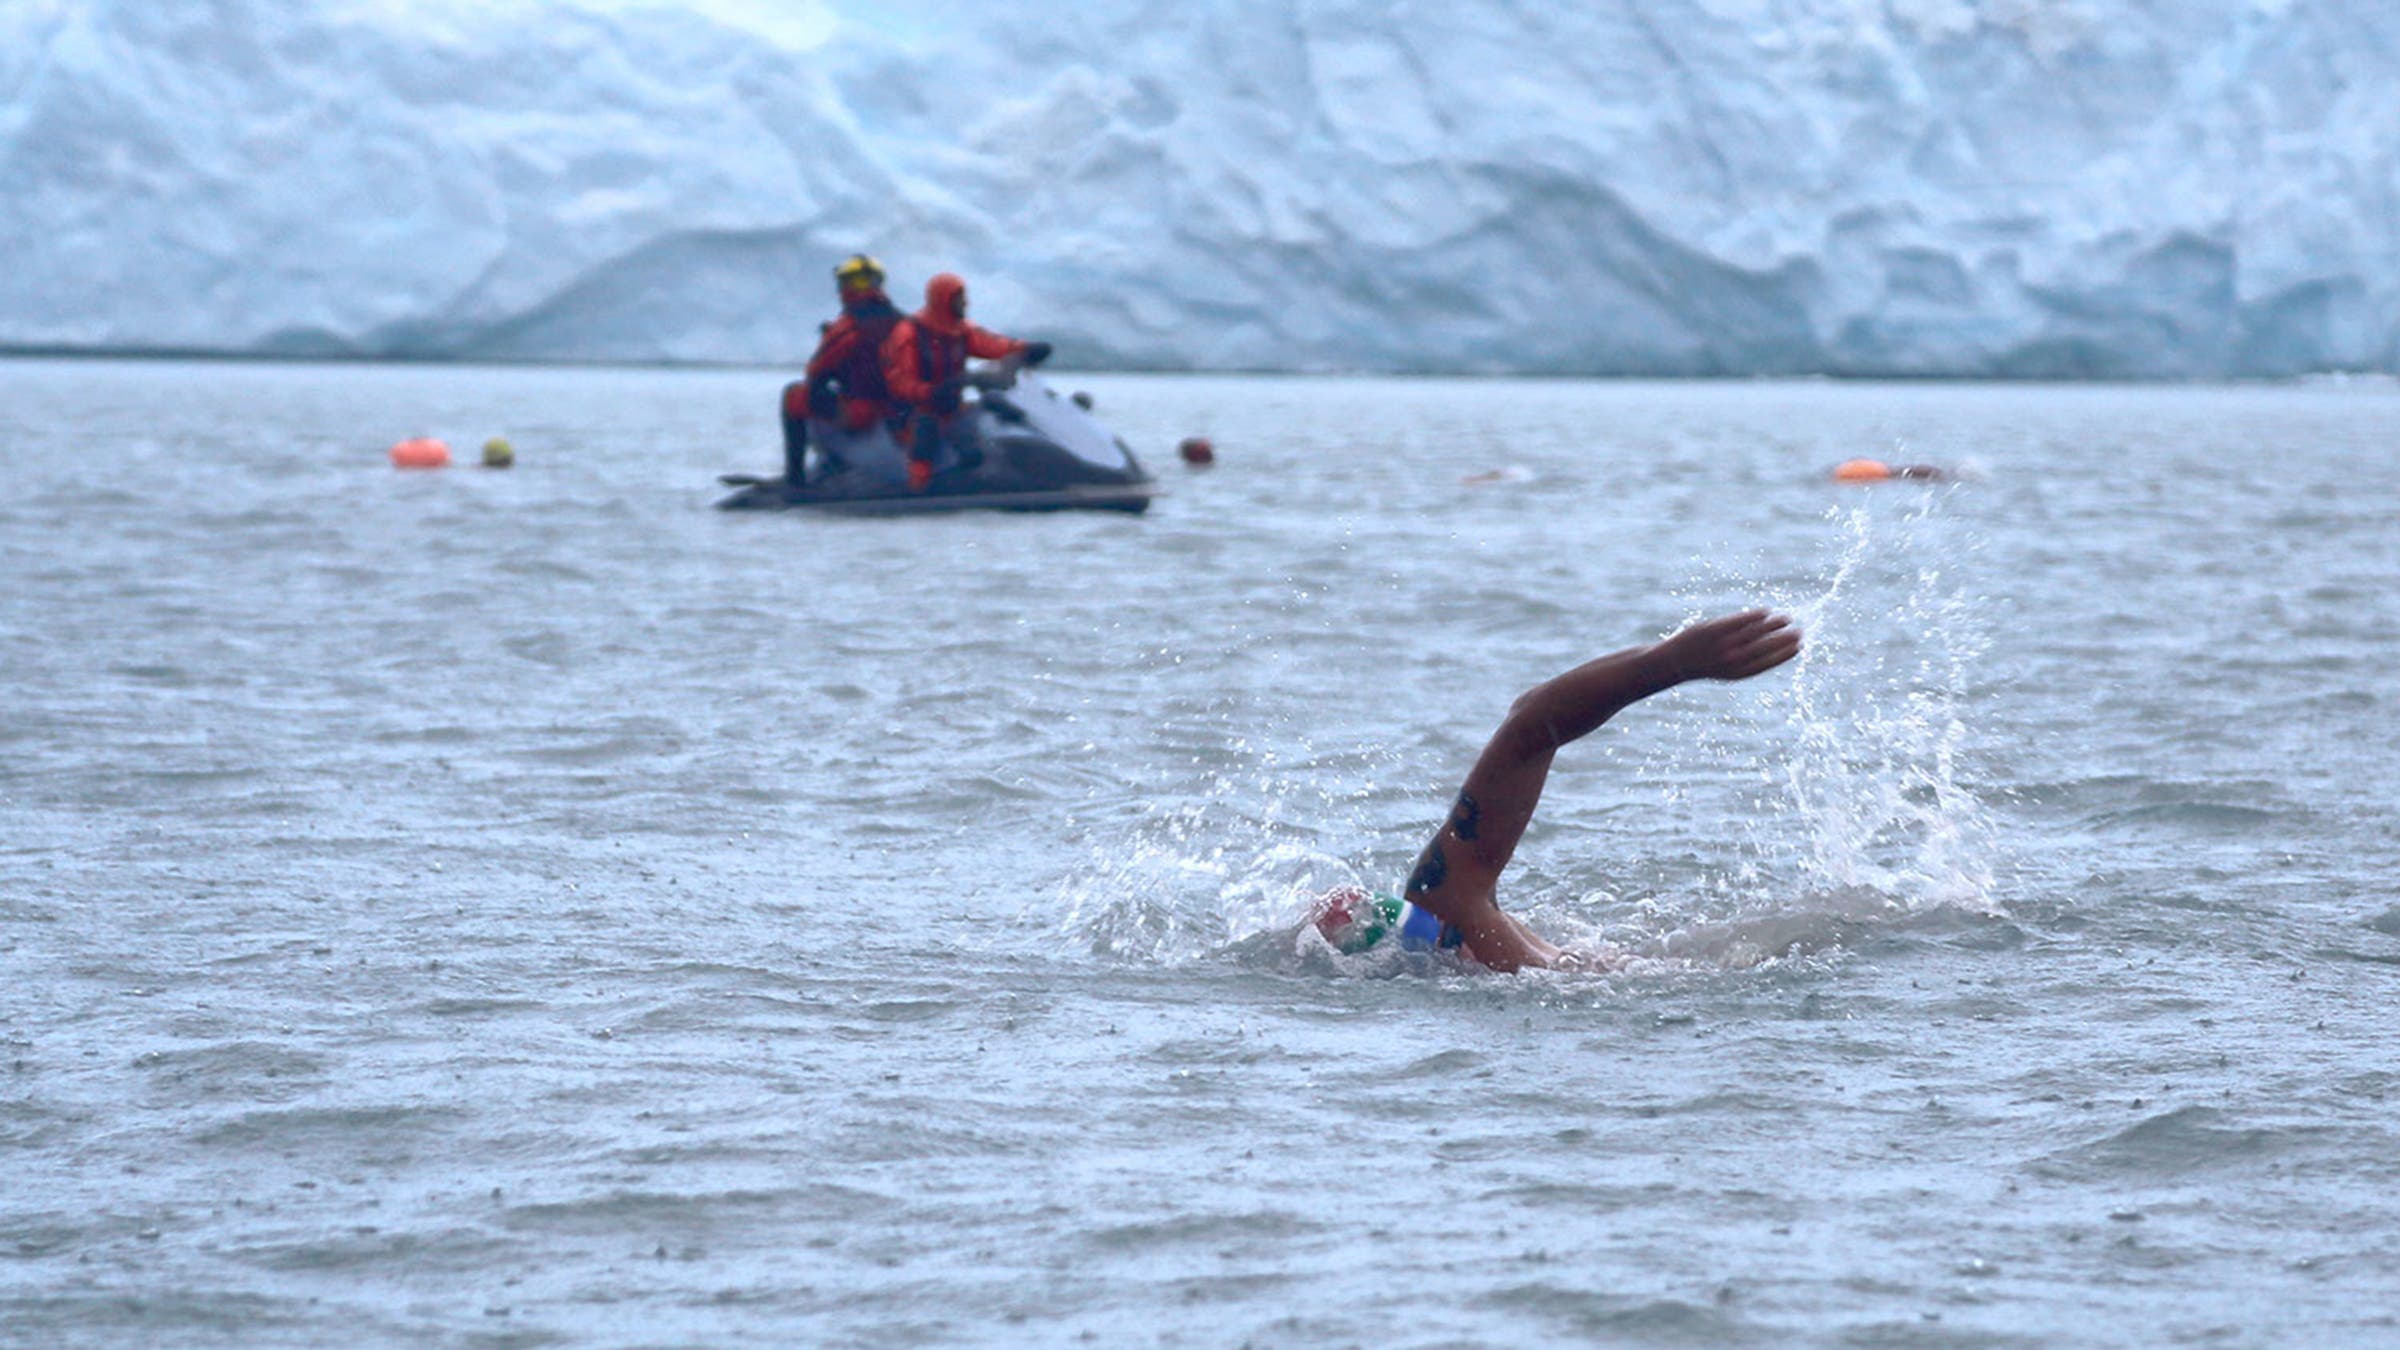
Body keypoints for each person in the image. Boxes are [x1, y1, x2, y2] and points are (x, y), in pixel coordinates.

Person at [1315, 609, 1802, 972]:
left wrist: (1673, 662)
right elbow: (1530, 721)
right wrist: (1669, 663)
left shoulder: (1451, 914)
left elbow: (1530, 723)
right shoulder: (1456, 918)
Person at [880, 272, 1053, 491]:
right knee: (927, 430)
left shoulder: (962, 331)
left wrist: (1025, 349)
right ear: (944, 300)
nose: (965, 303)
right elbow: (898, 380)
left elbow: (994, 345)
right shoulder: (909, 333)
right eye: (959, 298)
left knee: (992, 412)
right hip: (913, 413)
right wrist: (929, 392)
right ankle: (918, 485)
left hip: (951, 408)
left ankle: (1013, 472)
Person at [782, 254, 905, 488]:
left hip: (864, 412)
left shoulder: (847, 329)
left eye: (860, 281)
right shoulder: (905, 322)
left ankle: (795, 478)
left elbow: (816, 373)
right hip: (899, 413)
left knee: (793, 395)